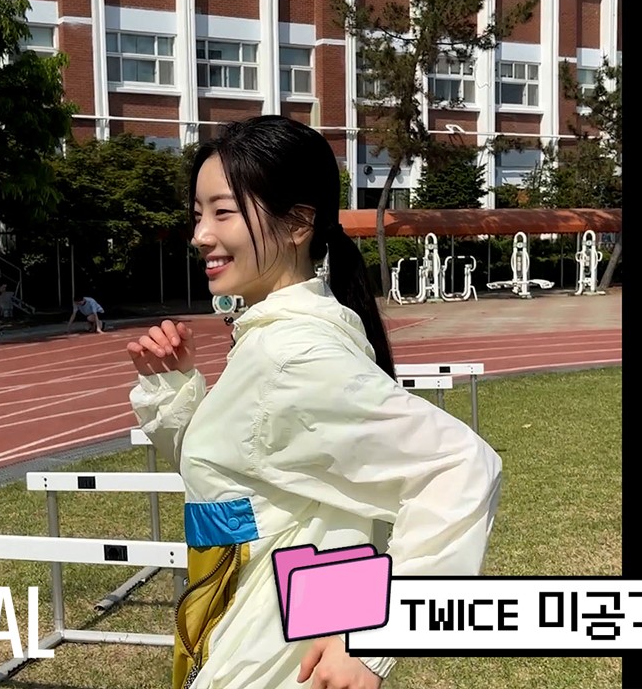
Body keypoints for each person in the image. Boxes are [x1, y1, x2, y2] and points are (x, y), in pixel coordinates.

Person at [126, 116, 503, 689]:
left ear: (299, 223)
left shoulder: (292, 355)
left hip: (271, 660)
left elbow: (462, 467)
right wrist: (173, 387)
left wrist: (377, 638)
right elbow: (241, 485)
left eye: (223, 212)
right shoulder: (278, 341)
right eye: (198, 213)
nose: (200, 234)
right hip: (257, 642)